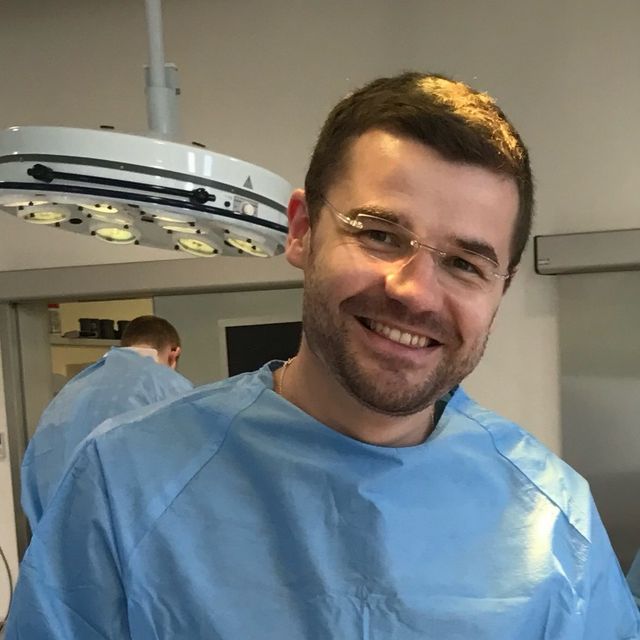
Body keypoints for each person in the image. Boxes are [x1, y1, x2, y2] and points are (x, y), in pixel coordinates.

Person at [7, 72, 640, 639]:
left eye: (465, 264)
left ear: (501, 289)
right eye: (380, 234)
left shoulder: (557, 528)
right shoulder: (126, 484)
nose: (416, 292)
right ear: (303, 231)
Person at [20, 314, 193, 530]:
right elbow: (191, 468)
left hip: (65, 533)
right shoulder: (168, 387)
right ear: (174, 353)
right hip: (136, 532)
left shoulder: (70, 392)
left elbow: (37, 472)